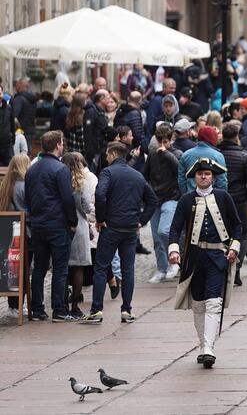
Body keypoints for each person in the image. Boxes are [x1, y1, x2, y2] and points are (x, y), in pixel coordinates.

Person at [168, 158, 242, 369]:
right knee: (199, 303)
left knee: (213, 301)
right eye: (200, 174)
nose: (203, 177)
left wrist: (234, 247)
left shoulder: (223, 197)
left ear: (213, 177)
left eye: (207, 174)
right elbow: (175, 228)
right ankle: (203, 346)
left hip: (218, 257)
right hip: (194, 257)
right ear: (194, 178)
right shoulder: (186, 200)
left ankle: (209, 348)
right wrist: (174, 250)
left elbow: (238, 227)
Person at [82, 141, 159, 324]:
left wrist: (100, 219)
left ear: (113, 154)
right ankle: (127, 310)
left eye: (108, 155)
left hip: (111, 228)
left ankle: (96, 310)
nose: (106, 158)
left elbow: (100, 195)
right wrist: (142, 220)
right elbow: (152, 200)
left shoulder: (108, 172)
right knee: (127, 269)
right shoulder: (137, 176)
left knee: (101, 268)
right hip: (131, 228)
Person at [25, 130, 78, 321]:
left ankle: (37, 309)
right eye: (62, 143)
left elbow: (28, 197)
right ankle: (59, 309)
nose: (63, 145)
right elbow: (67, 199)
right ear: (57, 145)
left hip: (38, 224)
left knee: (39, 268)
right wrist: (73, 222)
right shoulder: (61, 169)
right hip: (57, 225)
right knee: (60, 268)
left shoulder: (32, 169)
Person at [216, 121, 247, 286]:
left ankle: (225, 268)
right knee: (243, 233)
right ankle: (236, 267)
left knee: (223, 234)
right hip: (240, 200)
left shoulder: (217, 153)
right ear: (237, 138)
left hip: (220, 199)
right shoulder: (244, 155)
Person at [143, 123, 182, 283]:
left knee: (164, 231)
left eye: (165, 141)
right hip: (156, 198)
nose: (162, 145)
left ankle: (175, 259)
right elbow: (145, 175)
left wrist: (167, 153)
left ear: (171, 139)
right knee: (156, 237)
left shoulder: (177, 153)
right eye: (160, 141)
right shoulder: (152, 155)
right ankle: (161, 267)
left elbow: (181, 170)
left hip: (172, 197)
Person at [62, 152, 97, 317]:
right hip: (80, 226)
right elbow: (87, 206)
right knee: (78, 268)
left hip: (62, 225)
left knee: (62, 268)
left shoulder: (60, 181)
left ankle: (61, 305)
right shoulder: (82, 182)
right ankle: (75, 306)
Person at [0, 153, 29, 316]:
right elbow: (27, 211)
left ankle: (12, 305)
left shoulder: (6, 185)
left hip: (6, 231)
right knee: (22, 270)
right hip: (22, 233)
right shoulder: (23, 186)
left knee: (10, 268)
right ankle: (18, 304)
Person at [178, 127, 228, 196]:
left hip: (191, 198)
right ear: (213, 138)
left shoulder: (185, 155)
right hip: (212, 199)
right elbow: (222, 181)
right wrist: (221, 198)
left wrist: (186, 196)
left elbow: (181, 180)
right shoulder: (218, 156)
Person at [11, 76, 38, 144]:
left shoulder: (19, 99)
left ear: (21, 86)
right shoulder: (33, 99)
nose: (16, 88)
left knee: (21, 154)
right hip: (31, 130)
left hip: (21, 132)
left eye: (17, 85)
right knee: (27, 153)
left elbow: (14, 116)